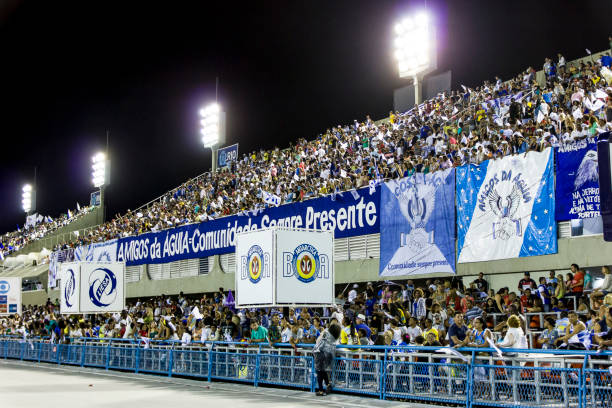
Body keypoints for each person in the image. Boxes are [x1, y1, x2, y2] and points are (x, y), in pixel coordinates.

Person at [313, 323, 341, 396]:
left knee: (319, 371)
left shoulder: (325, 332)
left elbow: (318, 341)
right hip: (329, 354)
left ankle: (321, 390)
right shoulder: (335, 338)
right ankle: (328, 384)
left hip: (320, 352)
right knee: (323, 370)